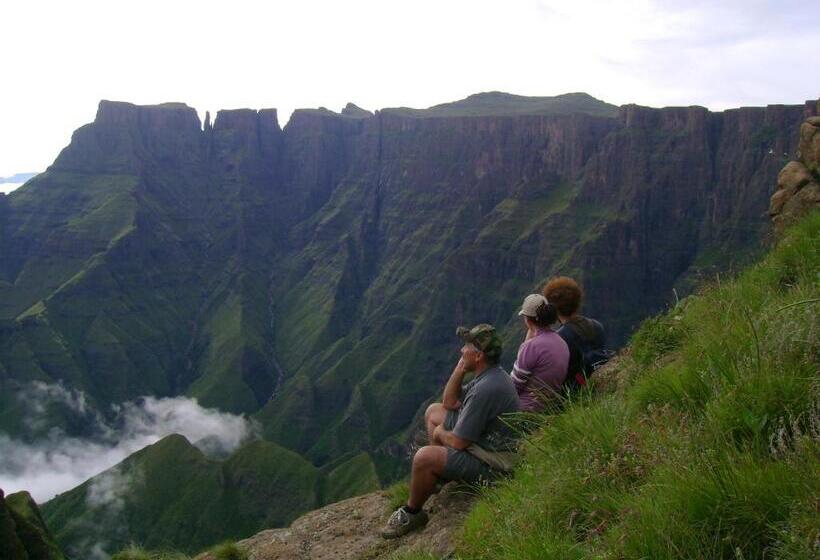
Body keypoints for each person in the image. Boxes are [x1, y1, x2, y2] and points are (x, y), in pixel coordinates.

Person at [380, 324, 519, 539]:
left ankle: (413, 512)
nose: (461, 350)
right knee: (434, 411)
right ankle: (439, 475)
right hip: (484, 445)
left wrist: (438, 436)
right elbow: (449, 401)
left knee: (424, 456)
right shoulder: (489, 375)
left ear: (479, 355)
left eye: (466, 347)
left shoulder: (485, 389)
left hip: (495, 467)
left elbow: (458, 443)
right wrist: (460, 369)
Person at [542, 277, 610, 389]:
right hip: (601, 382)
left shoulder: (559, 338)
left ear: (553, 308)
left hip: (575, 394)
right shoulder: (597, 326)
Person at [510, 294, 570, 411]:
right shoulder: (561, 342)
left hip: (526, 411)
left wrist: (525, 345)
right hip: (550, 408)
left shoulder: (531, 347)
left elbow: (513, 387)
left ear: (527, 319)